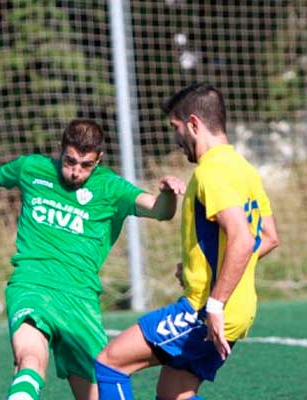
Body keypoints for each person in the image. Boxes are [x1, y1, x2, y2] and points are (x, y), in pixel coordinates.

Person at [0, 119, 185, 400]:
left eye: (85, 165)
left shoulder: (111, 188)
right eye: (70, 161)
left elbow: (159, 211)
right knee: (30, 360)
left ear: (99, 160)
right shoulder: (34, 169)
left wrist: (167, 194)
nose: (75, 171)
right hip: (31, 285)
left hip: (79, 300)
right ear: (60, 150)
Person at [95, 83, 280, 400]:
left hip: (204, 311)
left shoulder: (212, 173)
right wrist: (206, 270)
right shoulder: (244, 169)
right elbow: (269, 238)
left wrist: (215, 302)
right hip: (240, 309)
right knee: (173, 394)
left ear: (194, 124)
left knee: (110, 364)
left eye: (175, 128)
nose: (175, 139)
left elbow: (242, 238)